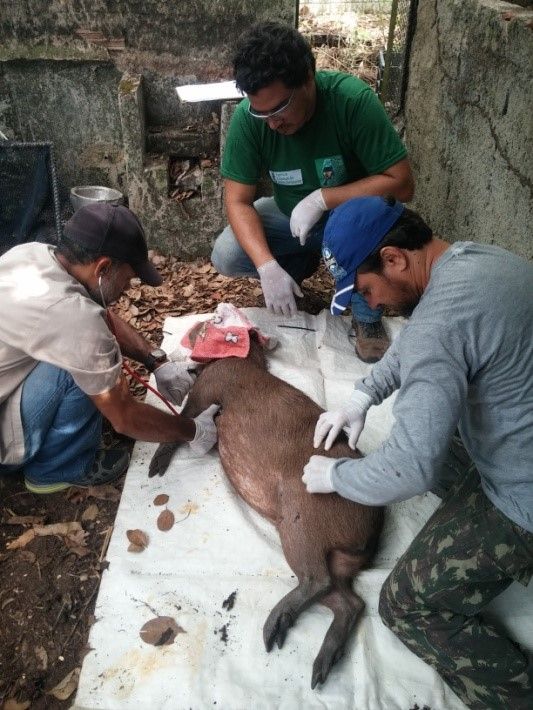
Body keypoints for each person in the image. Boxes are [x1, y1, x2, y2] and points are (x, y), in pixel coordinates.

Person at [301, 195, 533, 708]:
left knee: (405, 605)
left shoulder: (437, 326)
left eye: (367, 290)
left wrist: (336, 478)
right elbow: (423, 339)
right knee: (430, 440)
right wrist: (365, 394)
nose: (372, 306)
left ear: (393, 258)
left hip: (525, 498)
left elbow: (411, 466)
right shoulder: (473, 260)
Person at [211, 21, 414, 363]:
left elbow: (402, 184)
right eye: (261, 113)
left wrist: (323, 198)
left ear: (308, 79)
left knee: (376, 226)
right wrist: (267, 267)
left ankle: (366, 315)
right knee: (228, 251)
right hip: (292, 216)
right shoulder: (250, 119)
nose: (272, 123)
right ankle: (296, 266)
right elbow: (238, 200)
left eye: (278, 109)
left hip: (354, 219)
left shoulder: (351, 101)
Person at [0, 203, 219, 494]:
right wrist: (192, 430)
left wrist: (156, 361)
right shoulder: (75, 321)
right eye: (128, 278)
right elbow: (124, 416)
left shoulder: (33, 254)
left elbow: (94, 314)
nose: (128, 288)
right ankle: (56, 468)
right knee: (80, 367)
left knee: (87, 349)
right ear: (103, 267)